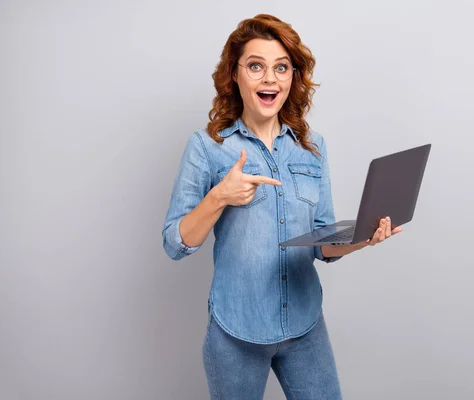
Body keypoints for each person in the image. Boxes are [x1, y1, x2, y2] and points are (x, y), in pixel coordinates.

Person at [161, 13, 402, 400]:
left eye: (281, 67)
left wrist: (363, 239)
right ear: (234, 75)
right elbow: (174, 243)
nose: (270, 78)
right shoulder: (208, 147)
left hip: (305, 326)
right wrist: (220, 195)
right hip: (236, 330)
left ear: (293, 77)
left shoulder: (312, 147)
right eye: (256, 66)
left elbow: (323, 242)